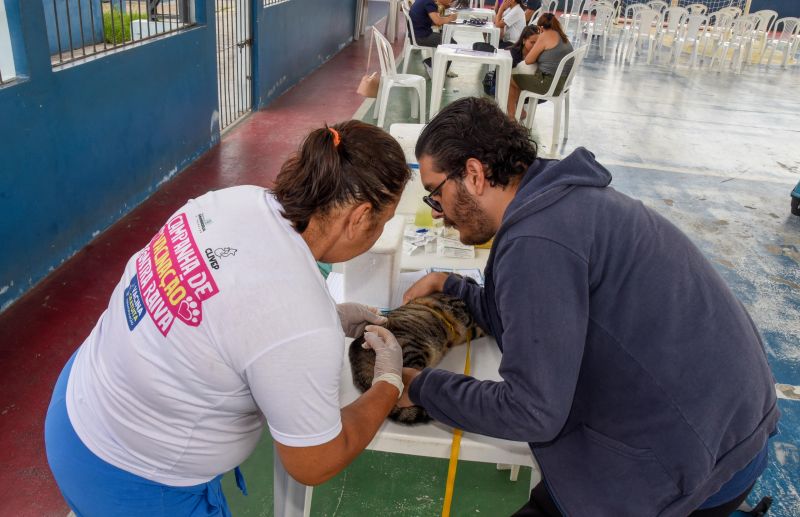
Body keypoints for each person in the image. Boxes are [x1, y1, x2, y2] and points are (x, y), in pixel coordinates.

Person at [400, 97, 779, 516]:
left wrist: (419, 386)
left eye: (435, 195)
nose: (437, 215)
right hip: (733, 428)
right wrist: (456, 287)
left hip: (696, 468)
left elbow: (530, 412)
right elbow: (535, 315)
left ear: (473, 174)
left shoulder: (537, 244)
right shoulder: (564, 200)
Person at [44, 121, 412, 516]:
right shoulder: (299, 316)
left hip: (78, 407)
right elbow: (314, 461)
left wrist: (329, 318)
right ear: (359, 217)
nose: (381, 230)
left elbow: (227, 309)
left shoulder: (233, 201)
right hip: (132, 480)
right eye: (384, 220)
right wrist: (387, 384)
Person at [507, 12, 574, 116]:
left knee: (511, 79)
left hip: (548, 84)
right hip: (562, 85)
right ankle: (521, 111)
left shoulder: (545, 35)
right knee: (522, 78)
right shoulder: (563, 37)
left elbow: (528, 60)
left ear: (541, 27)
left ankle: (511, 117)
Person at [408, 0, 458, 77]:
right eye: (450, 0)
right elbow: (437, 21)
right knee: (452, 44)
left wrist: (445, 17)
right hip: (422, 37)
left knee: (448, 39)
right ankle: (436, 70)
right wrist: (451, 18)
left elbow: (433, 20)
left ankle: (437, 67)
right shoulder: (429, 3)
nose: (450, 2)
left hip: (417, 35)